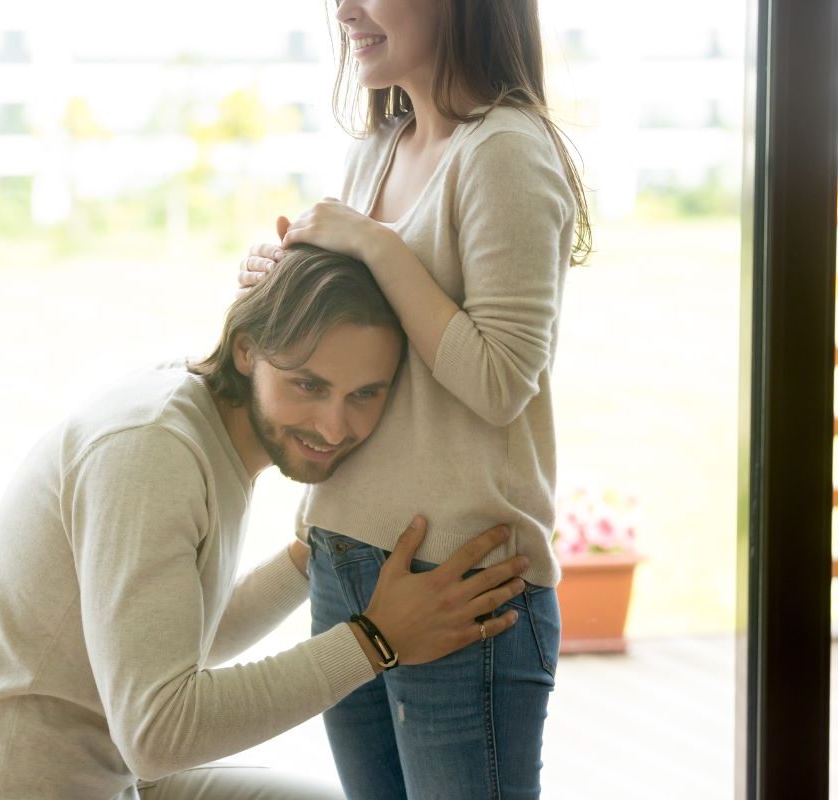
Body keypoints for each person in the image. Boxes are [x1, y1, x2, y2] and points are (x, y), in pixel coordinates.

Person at [0, 246, 530, 800]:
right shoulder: (151, 451)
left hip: (102, 778)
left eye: (364, 394)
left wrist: (310, 557)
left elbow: (175, 638)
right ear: (247, 349)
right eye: (309, 385)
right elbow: (159, 732)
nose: (337, 427)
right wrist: (376, 640)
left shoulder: (199, 419)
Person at [237, 2, 592, 798]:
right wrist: (281, 285)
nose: (346, 9)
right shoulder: (381, 148)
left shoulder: (505, 151)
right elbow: (373, 352)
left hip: (461, 590)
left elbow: (500, 380)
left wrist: (373, 245)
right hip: (346, 567)